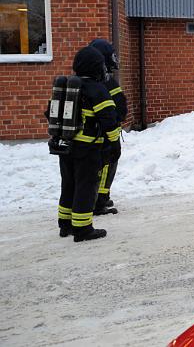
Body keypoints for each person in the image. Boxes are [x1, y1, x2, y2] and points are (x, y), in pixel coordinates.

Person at [57, 46, 117, 242]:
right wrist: (114, 144)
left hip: (65, 145)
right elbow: (109, 120)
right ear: (95, 67)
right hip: (88, 147)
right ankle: (83, 229)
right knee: (86, 185)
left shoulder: (68, 86)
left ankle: (65, 224)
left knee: (69, 184)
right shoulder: (97, 89)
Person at [89, 38, 126, 215]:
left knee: (103, 166)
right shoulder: (105, 82)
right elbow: (119, 105)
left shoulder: (90, 80)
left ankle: (100, 196)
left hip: (97, 132)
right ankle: (99, 200)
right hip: (106, 132)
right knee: (106, 166)